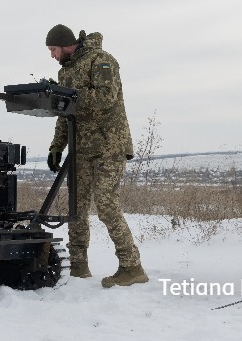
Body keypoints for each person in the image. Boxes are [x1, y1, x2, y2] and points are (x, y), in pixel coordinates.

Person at [44, 24, 148, 288]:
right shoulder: (64, 72)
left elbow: (106, 98)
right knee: (76, 208)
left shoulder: (102, 61)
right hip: (81, 149)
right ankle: (78, 266)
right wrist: (57, 146)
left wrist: (69, 95)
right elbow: (65, 114)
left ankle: (131, 266)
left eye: (53, 50)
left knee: (105, 203)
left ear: (66, 45)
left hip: (108, 146)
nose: (52, 56)